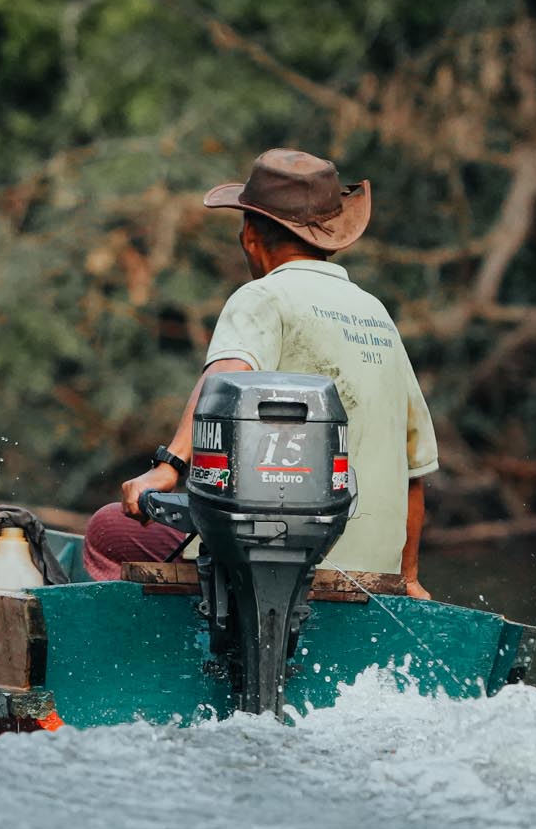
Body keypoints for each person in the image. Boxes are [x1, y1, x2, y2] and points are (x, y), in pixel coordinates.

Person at [82, 148, 438, 597]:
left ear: (250, 234)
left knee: (106, 530)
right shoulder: (378, 314)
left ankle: (143, 659)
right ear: (332, 238)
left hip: (277, 566)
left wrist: (168, 467)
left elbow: (223, 379)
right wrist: (407, 579)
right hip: (374, 581)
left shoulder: (263, 297)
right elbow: (414, 470)